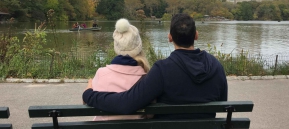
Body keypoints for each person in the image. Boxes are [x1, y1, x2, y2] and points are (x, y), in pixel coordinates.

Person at [83, 13, 227, 119]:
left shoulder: (162, 70)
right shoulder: (216, 66)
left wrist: (89, 94)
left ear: (169, 38)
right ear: (196, 35)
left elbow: (126, 103)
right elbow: (222, 103)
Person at [91, 18, 150, 121]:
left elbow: (87, 102)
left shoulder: (101, 74)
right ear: (139, 47)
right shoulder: (147, 78)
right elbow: (150, 115)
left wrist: (88, 89)